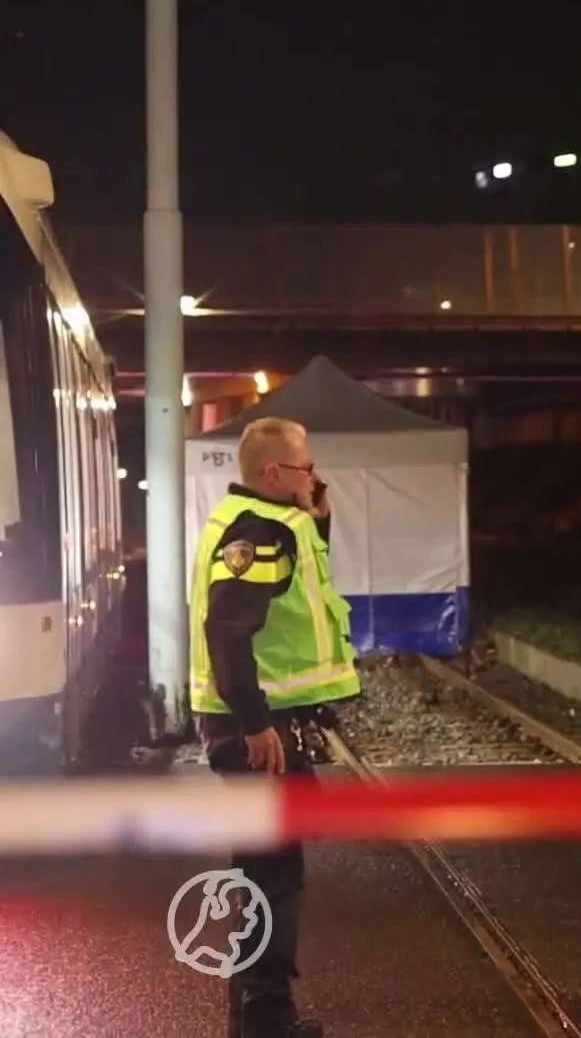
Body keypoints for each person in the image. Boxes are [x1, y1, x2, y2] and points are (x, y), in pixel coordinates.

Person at [190, 417, 361, 1038]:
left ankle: (257, 1016)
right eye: (305, 468)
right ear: (273, 474)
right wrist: (257, 725)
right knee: (272, 873)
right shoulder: (257, 535)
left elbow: (289, 600)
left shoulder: (271, 525)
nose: (314, 477)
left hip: (263, 726)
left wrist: (317, 517)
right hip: (257, 731)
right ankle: (266, 1021)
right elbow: (229, 635)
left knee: (267, 867)